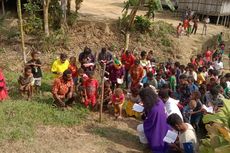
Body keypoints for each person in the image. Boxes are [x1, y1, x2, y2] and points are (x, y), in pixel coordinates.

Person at [137, 87, 169, 153]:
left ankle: (146, 144)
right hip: (165, 127)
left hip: (158, 130)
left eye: (142, 98)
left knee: (140, 128)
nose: (141, 100)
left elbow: (150, 123)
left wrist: (144, 118)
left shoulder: (154, 109)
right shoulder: (158, 101)